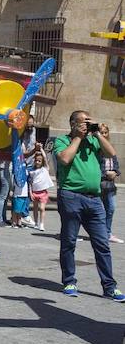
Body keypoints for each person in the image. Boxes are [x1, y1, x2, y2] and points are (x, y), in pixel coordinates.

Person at [54, 110, 124, 301]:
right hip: (70, 196)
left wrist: (98, 133)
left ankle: (109, 286)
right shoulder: (62, 140)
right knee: (69, 242)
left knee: (102, 244)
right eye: (83, 122)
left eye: (88, 122)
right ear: (72, 124)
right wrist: (77, 138)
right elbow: (65, 159)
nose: (86, 125)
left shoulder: (94, 141)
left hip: (94, 199)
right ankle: (69, 281)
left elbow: (111, 153)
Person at [99, 123, 122, 244]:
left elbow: (116, 164)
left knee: (111, 208)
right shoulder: (96, 148)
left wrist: (115, 172)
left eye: (105, 132)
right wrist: (105, 174)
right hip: (100, 183)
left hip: (110, 185)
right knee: (97, 210)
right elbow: (94, 167)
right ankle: (99, 233)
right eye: (101, 132)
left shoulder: (110, 147)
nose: (103, 134)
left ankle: (107, 233)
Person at [29, 149, 54, 233]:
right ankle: (36, 223)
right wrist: (30, 193)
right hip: (34, 192)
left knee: (42, 208)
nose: (37, 162)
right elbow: (30, 183)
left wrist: (41, 149)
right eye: (36, 160)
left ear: (42, 161)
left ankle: (42, 223)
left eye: (39, 161)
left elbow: (45, 157)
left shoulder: (45, 168)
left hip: (43, 193)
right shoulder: (32, 171)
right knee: (35, 208)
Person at [0, 160, 12, 227]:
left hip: (6, 169)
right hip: (2, 169)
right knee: (3, 196)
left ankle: (3, 218)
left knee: (5, 196)